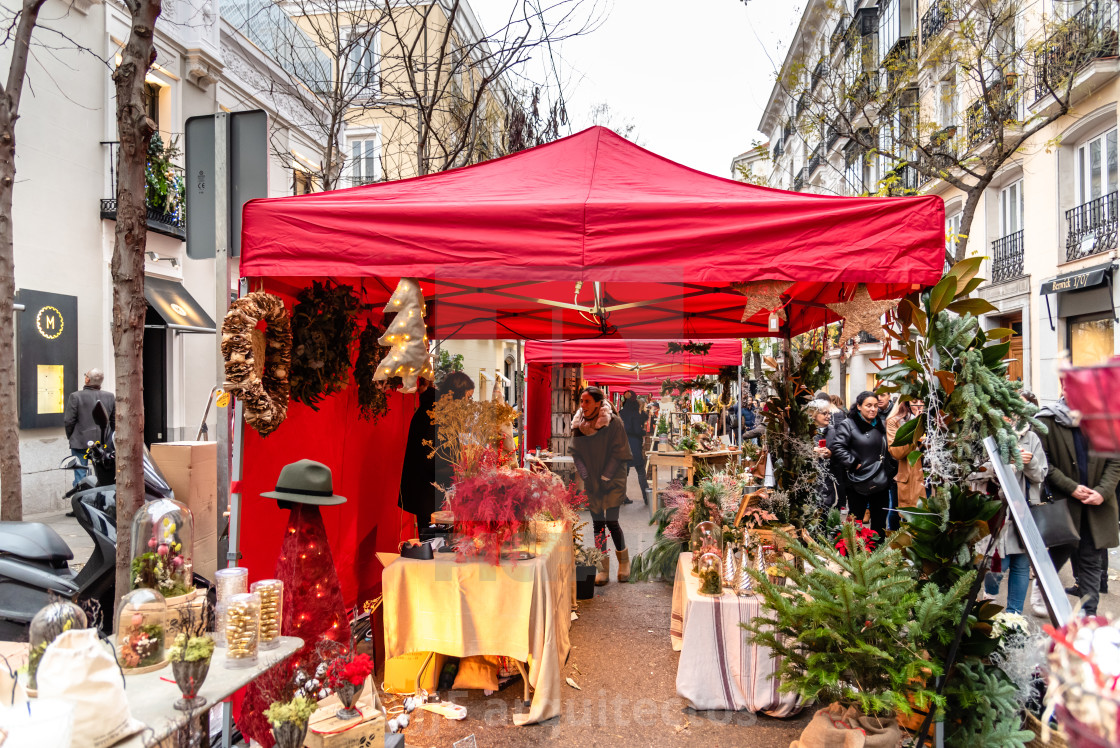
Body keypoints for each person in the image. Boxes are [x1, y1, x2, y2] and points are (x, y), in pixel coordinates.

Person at [1035, 393, 1120, 616]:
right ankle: (1042, 590)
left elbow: (1115, 459)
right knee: (1058, 552)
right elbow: (1043, 462)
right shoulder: (1047, 420)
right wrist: (1070, 486)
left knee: (1091, 560)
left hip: (1096, 505)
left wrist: (1102, 492)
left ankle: (1089, 614)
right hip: (1064, 505)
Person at [973, 405, 1048, 615]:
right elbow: (972, 472)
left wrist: (1030, 462)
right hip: (996, 512)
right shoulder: (986, 437)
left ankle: (1015, 615)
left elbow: (1041, 474)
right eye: (1005, 412)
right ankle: (988, 602)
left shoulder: (1031, 437)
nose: (1009, 417)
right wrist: (1004, 464)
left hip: (1024, 510)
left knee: (1022, 564)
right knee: (996, 562)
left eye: (1013, 412)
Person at [398, 372, 475, 540]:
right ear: (456, 395)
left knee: (441, 546)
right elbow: (431, 459)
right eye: (467, 398)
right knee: (435, 547)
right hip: (431, 496)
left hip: (436, 494)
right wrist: (459, 470)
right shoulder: (433, 415)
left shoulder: (440, 412)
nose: (469, 404)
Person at [570, 386, 633, 585]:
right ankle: (602, 567)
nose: (583, 405)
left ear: (599, 402)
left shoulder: (614, 423)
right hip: (593, 478)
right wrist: (587, 476)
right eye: (581, 401)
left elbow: (619, 453)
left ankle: (624, 563)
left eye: (587, 401)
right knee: (598, 524)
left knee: (612, 522)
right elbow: (576, 453)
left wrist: (606, 477)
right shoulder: (578, 424)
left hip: (613, 476)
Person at [828, 391, 896, 538]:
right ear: (859, 406)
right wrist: (853, 463)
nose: (873, 409)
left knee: (879, 524)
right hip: (857, 482)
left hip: (881, 480)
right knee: (856, 523)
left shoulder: (881, 424)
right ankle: (855, 555)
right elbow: (837, 447)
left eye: (875, 406)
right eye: (868, 405)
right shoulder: (849, 424)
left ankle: (877, 555)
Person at [63, 368, 115, 488]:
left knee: (81, 476)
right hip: (103, 443)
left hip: (80, 442)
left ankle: (82, 499)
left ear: (87, 379)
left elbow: (69, 420)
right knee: (102, 475)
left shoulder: (75, 396)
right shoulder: (110, 396)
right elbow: (114, 422)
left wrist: (71, 436)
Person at [885, 399, 926, 513]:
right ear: (907, 402)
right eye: (914, 401)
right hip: (911, 475)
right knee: (909, 515)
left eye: (922, 401)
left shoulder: (934, 419)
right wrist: (914, 427)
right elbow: (897, 453)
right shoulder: (895, 421)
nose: (918, 405)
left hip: (933, 476)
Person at [808, 400, 842, 508]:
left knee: (825, 507)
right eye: (824, 413)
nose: (828, 416)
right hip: (810, 479)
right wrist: (813, 451)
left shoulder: (833, 431)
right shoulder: (806, 431)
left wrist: (831, 452)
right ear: (814, 414)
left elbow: (839, 450)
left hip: (827, 479)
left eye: (829, 413)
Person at [619, 390, 651, 505]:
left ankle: (622, 497)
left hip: (623, 446)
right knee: (641, 472)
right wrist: (643, 432)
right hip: (634, 446)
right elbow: (637, 430)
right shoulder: (636, 414)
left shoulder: (620, 413)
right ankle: (647, 498)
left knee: (623, 474)